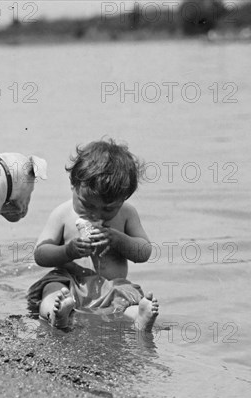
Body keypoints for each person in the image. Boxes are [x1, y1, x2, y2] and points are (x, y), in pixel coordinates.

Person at [27, 139, 159, 331]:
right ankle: (56, 314)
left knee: (127, 297)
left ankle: (140, 318)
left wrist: (117, 239)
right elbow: (41, 254)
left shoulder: (127, 214)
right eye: (87, 205)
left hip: (111, 286)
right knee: (52, 288)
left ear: (124, 199)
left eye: (108, 209)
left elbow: (144, 252)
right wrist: (68, 251)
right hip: (69, 282)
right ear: (73, 185)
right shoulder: (62, 214)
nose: (96, 214)